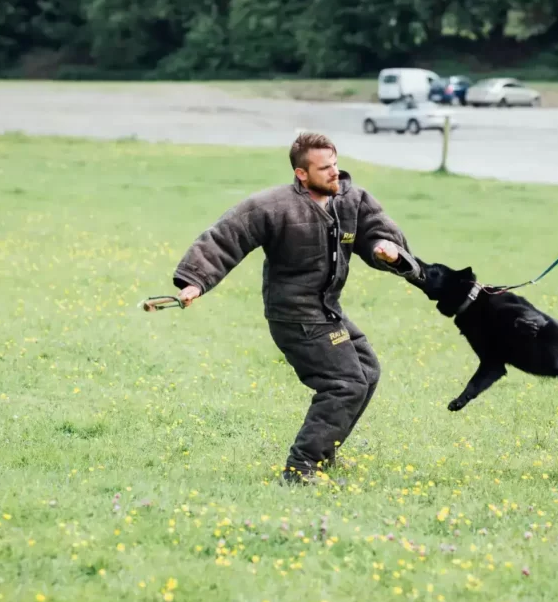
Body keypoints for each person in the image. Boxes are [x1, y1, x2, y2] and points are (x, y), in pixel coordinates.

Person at [166, 132, 422, 484]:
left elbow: (378, 231)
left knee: (367, 370)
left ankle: (324, 452)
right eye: (324, 168)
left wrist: (386, 248)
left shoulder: (352, 200)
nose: (335, 173)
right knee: (345, 383)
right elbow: (226, 236)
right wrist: (195, 280)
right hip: (294, 314)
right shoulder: (274, 206)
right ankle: (301, 467)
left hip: (327, 308)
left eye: (335, 164)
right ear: (301, 174)